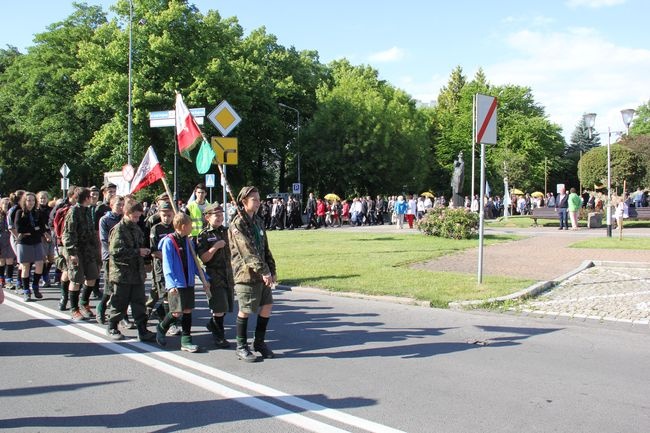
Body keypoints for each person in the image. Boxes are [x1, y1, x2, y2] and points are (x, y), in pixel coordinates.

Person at [229, 186, 277, 362]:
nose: (257, 203)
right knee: (246, 309)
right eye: (254, 200)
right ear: (243, 202)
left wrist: (272, 269)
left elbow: (265, 248)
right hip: (246, 273)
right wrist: (264, 271)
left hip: (262, 272)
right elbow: (247, 251)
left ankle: (259, 342)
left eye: (258, 199)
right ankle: (241, 346)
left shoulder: (257, 221)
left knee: (267, 306)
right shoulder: (237, 224)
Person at [105, 200, 156, 342]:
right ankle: (113, 326)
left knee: (139, 302)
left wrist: (145, 255)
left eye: (139, 217)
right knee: (120, 301)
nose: (137, 219)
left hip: (136, 272)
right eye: (134, 216)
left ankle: (142, 329)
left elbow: (140, 244)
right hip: (122, 273)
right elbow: (115, 252)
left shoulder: (136, 228)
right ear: (126, 214)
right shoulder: (119, 229)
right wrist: (137, 252)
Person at [156, 213, 201, 352]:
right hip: (176, 283)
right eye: (190, 226)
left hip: (188, 281)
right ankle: (161, 328)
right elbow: (167, 265)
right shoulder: (169, 242)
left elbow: (194, 263)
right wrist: (170, 285)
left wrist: (204, 277)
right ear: (183, 226)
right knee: (176, 312)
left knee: (187, 310)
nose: (192, 228)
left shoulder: (188, 241)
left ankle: (186, 340)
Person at [197, 203, 234, 348]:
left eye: (221, 215)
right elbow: (204, 258)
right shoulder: (204, 235)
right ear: (207, 217)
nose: (219, 218)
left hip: (228, 273)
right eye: (216, 215)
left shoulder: (227, 231)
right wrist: (215, 247)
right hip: (214, 274)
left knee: (226, 306)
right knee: (219, 307)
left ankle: (213, 324)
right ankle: (219, 336)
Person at [62, 187, 101, 321]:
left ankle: (84, 303)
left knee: (92, 277)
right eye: (91, 196)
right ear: (86, 198)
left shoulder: (88, 210)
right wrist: (72, 253)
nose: (93, 198)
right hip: (77, 250)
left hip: (88, 250)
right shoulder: (74, 211)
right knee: (76, 279)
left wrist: (97, 250)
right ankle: (74, 309)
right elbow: (68, 234)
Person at [147, 201, 177, 336]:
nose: (167, 218)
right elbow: (153, 251)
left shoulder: (175, 228)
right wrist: (167, 259)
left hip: (174, 266)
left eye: (169, 215)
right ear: (160, 214)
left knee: (172, 293)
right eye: (164, 215)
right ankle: (169, 323)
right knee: (166, 294)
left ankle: (161, 314)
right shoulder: (156, 229)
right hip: (161, 266)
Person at [13, 192, 49, 302]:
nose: (31, 203)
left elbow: (42, 228)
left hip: (36, 241)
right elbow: (20, 229)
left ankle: (35, 286)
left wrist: (36, 230)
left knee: (40, 263)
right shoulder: (20, 212)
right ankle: (26, 291)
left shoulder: (37, 213)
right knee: (25, 266)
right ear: (24, 201)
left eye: (33, 200)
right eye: (28, 200)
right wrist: (34, 229)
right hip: (24, 242)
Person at [96, 195, 124, 324]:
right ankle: (100, 309)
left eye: (123, 205)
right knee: (109, 287)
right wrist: (114, 252)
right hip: (110, 257)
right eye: (118, 205)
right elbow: (104, 240)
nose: (121, 208)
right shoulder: (105, 220)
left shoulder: (124, 219)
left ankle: (122, 315)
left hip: (123, 256)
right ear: (111, 205)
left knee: (122, 288)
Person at [36, 191, 55, 288]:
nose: (43, 200)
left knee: (51, 258)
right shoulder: (37, 210)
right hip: (41, 235)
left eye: (44, 198)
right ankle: (45, 277)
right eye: (41, 198)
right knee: (43, 258)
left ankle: (45, 273)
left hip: (51, 234)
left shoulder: (51, 210)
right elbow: (38, 224)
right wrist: (45, 234)